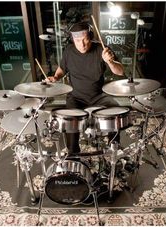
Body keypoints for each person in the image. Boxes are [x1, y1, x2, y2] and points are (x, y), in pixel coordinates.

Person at [47, 21, 124, 154]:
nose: (81, 44)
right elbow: (62, 69)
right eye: (77, 41)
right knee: (70, 122)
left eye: (85, 40)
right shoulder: (69, 51)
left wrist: (110, 62)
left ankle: (114, 150)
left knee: (115, 114)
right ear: (73, 40)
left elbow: (120, 71)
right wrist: (55, 77)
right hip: (76, 97)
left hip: (99, 96)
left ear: (91, 37)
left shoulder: (102, 49)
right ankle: (73, 153)